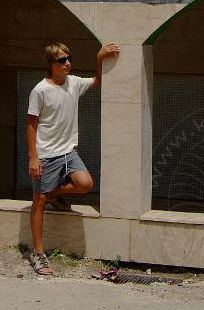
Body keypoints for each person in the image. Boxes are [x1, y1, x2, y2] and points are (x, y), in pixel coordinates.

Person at [26, 41, 120, 275]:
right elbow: (30, 125)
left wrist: (99, 58)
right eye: (62, 60)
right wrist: (33, 158)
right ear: (51, 64)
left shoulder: (74, 83)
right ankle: (37, 253)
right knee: (39, 201)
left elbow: (98, 81)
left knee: (85, 183)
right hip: (46, 155)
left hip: (68, 152)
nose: (67, 63)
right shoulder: (40, 90)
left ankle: (54, 195)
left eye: (69, 59)